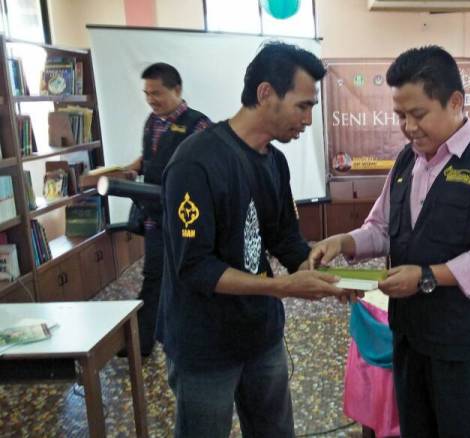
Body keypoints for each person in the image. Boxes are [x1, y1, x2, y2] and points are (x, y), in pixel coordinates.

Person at [309, 46, 470, 437]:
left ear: (455, 102)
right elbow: (382, 228)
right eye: (400, 116)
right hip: (411, 339)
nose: (408, 127)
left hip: (468, 348)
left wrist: (428, 276)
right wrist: (342, 242)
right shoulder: (406, 161)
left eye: (418, 114)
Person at [156, 42, 346, 438]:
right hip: (205, 345)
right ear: (265, 93)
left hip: (262, 336)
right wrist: (282, 287)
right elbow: (196, 268)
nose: (308, 120)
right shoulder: (196, 162)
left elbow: (284, 238)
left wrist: (319, 269)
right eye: (303, 106)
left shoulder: (274, 161)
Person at [123, 63, 212, 357]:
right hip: (154, 217)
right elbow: (149, 157)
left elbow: (210, 167)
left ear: (177, 89)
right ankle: (141, 343)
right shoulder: (151, 122)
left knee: (190, 278)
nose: (151, 100)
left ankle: (193, 338)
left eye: (157, 93)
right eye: (147, 94)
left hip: (186, 219)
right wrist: (131, 169)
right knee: (153, 278)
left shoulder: (198, 125)